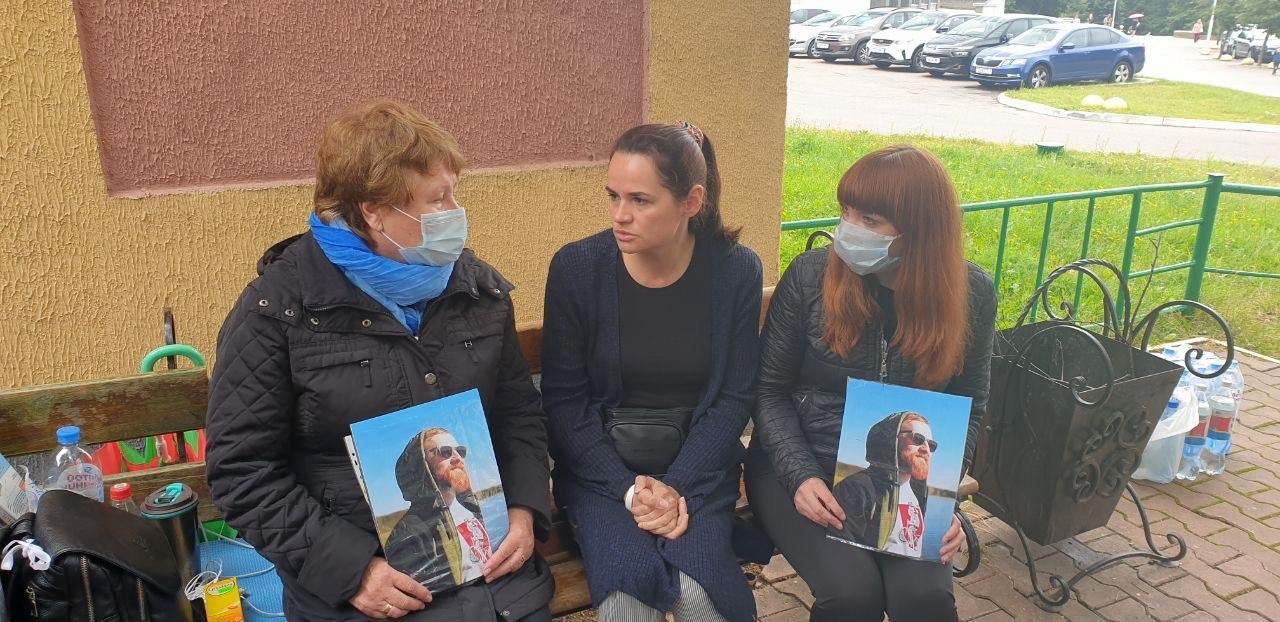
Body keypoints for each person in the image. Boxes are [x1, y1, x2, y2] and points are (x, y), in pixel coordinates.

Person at [206, 100, 554, 621]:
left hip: (498, 580)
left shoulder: (475, 290)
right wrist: (352, 572)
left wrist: (525, 510)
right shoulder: (279, 311)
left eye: (454, 193)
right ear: (373, 211)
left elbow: (518, 414)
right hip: (365, 592)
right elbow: (242, 471)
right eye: (437, 199)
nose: (455, 212)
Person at [745, 145, 997, 622]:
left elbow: (970, 406)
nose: (848, 228)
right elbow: (768, 390)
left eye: (869, 219)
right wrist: (800, 475)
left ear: (919, 231)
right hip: (798, 463)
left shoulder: (971, 295)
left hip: (903, 478)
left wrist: (941, 499)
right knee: (852, 594)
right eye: (846, 211)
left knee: (924, 599)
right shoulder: (810, 277)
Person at [541, 122, 762, 621]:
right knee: (627, 598)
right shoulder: (578, 268)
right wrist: (629, 490)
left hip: (699, 471)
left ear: (691, 201)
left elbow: (733, 397)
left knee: (700, 596)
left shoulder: (734, 270)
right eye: (613, 196)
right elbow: (564, 403)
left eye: (640, 200)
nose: (620, 215)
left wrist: (675, 486)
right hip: (602, 476)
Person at [385, 428, 492, 591]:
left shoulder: (472, 509)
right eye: (446, 452)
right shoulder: (409, 532)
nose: (457, 458)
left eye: (460, 451)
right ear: (422, 466)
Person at [832, 412, 934, 557]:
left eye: (932, 445)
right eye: (918, 439)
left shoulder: (919, 493)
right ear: (891, 439)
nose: (926, 449)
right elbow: (843, 552)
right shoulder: (857, 488)